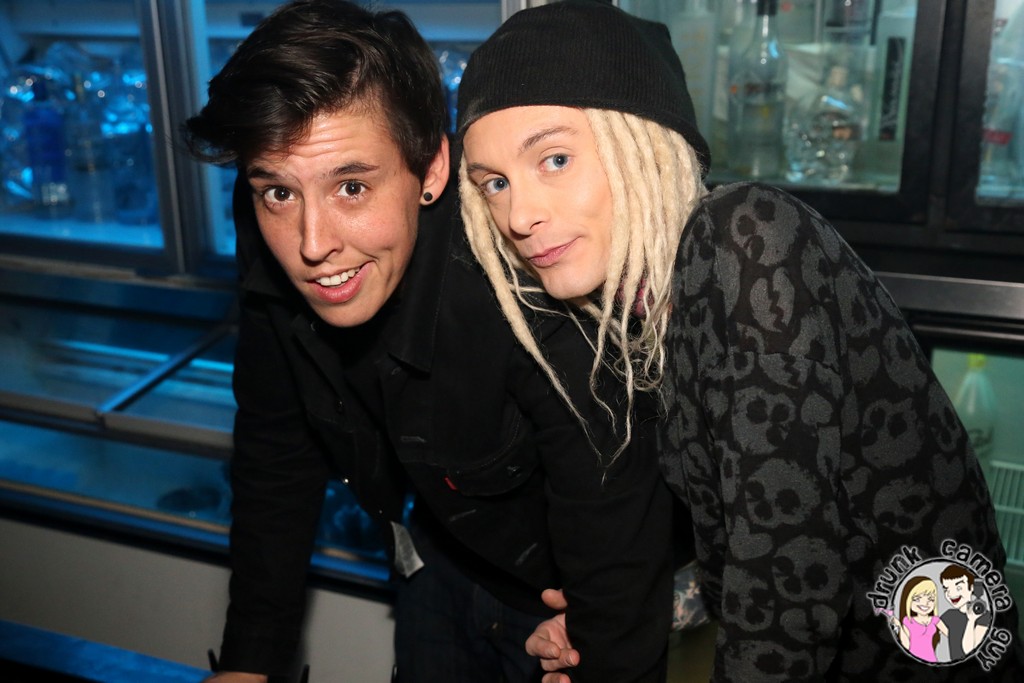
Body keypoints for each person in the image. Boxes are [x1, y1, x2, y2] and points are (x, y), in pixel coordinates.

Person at [455, 1, 1024, 681]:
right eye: (495, 183)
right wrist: (623, 616)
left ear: (645, 145)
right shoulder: (645, 302)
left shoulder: (745, 239)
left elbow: (787, 597)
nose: (519, 214)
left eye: (555, 158)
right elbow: (764, 538)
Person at [184, 1, 678, 682]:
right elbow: (276, 452)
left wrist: (604, 635)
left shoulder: (530, 283)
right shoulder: (271, 227)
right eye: (278, 193)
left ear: (433, 170)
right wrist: (250, 661)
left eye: (351, 186)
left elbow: (618, 529)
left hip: (569, 604)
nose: (312, 243)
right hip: (438, 560)